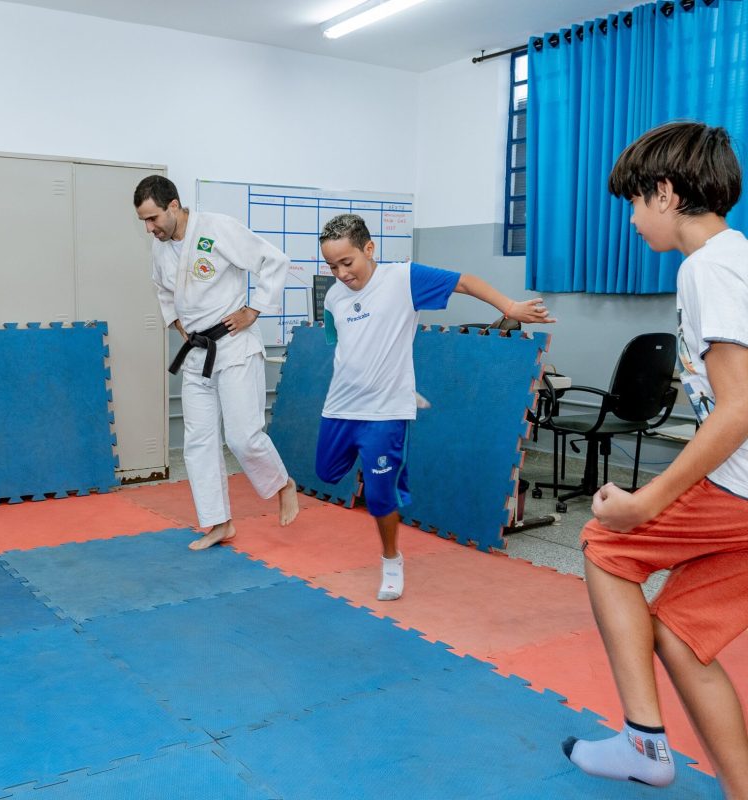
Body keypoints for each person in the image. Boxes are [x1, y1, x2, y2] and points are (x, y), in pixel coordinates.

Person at [562, 122, 748, 796]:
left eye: (635, 203)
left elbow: (738, 408)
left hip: (742, 491)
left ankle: (644, 744)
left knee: (606, 545)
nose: (634, 219)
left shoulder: (710, 267)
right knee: (680, 635)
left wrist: (649, 501)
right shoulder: (738, 258)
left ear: (665, 193)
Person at [316, 213, 553, 600]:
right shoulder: (334, 296)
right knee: (326, 473)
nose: (340, 273)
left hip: (387, 412)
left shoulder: (403, 279)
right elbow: (337, 342)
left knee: (379, 496)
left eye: (347, 262)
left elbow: (464, 282)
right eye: (332, 266)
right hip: (340, 407)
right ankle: (386, 471)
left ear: (369, 249)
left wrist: (509, 307)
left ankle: (391, 560)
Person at [133, 175, 300, 550]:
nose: (149, 228)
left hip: (235, 347)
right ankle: (218, 523)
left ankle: (282, 484)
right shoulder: (160, 248)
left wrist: (254, 310)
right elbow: (162, 289)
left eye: (153, 218)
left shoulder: (217, 228)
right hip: (196, 354)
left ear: (173, 206)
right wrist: (177, 323)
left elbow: (274, 261)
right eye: (143, 221)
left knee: (242, 436)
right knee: (199, 442)